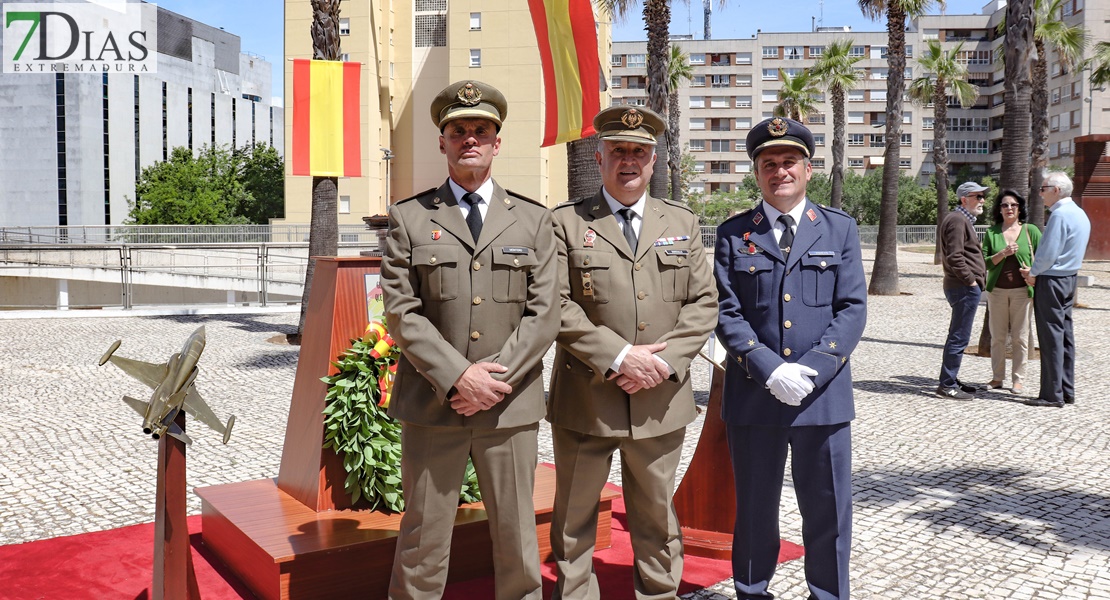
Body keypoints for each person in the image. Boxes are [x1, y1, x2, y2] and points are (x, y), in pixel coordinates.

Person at [381, 80, 559, 600]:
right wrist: (459, 376)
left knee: (517, 536)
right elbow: (401, 311)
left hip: (509, 406)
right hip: (435, 405)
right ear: (443, 142)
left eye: (481, 129)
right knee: (422, 536)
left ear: (497, 141)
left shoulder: (533, 220)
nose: (470, 138)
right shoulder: (409, 218)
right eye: (458, 130)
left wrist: (491, 380)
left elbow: (544, 313)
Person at [547, 105, 718, 599]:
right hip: (587, 398)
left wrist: (663, 363)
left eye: (639, 152)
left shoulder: (681, 220)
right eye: (618, 150)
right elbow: (555, 304)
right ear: (599, 158)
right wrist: (620, 357)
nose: (629, 161)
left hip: (659, 399)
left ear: (653, 161)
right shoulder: (566, 223)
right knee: (574, 518)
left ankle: (659, 593)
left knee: (657, 516)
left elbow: (703, 302)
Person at [713, 117, 867, 600]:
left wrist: (816, 368)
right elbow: (725, 310)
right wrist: (768, 367)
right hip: (755, 397)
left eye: (789, 162)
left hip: (822, 400)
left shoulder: (838, 229)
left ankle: (827, 595)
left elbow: (852, 309)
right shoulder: (734, 233)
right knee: (755, 509)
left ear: (808, 168)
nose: (780, 171)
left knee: (827, 510)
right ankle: (752, 591)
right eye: (769, 164)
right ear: (756, 173)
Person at [1021, 171, 1091, 408]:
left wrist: (1032, 273)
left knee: (1051, 337)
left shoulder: (1059, 215)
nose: (1040, 194)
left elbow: (1048, 253)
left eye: (1043, 189)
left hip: (1052, 280)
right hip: (1069, 278)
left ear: (1056, 190)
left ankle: (1052, 394)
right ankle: (1066, 389)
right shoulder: (1080, 214)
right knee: (1065, 336)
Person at [981, 190, 1041, 395]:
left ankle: (1018, 380)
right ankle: (997, 378)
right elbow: (985, 262)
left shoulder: (1030, 231)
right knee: (997, 337)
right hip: (996, 292)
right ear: (999, 209)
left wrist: (1032, 273)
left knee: (1020, 338)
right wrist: (1003, 253)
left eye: (1013, 205)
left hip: (1022, 292)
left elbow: (1043, 257)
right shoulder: (992, 232)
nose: (1009, 208)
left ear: (1020, 208)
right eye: (1005, 205)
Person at [935, 182, 989, 400]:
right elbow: (955, 256)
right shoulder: (958, 220)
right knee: (959, 337)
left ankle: (951, 379)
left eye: (983, 196)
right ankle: (947, 384)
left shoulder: (961, 219)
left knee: (958, 336)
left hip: (962, 287)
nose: (982, 200)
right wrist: (971, 281)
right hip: (963, 288)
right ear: (964, 199)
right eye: (978, 196)